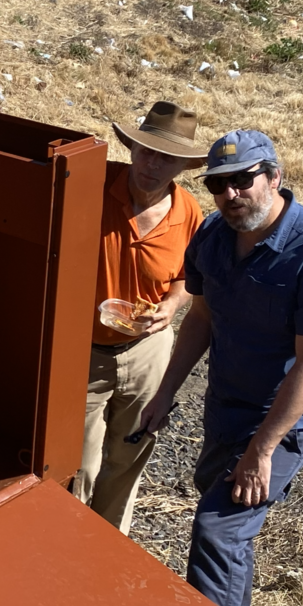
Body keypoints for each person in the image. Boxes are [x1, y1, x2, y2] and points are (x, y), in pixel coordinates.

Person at [138, 130, 303, 606]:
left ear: (274, 178)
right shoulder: (214, 237)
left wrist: (262, 451)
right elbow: (201, 318)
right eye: (219, 185)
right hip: (228, 401)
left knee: (219, 529)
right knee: (217, 507)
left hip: (287, 417)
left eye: (243, 180)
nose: (230, 195)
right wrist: (164, 393)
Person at [76, 101, 205, 534]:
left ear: (183, 166)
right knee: (79, 461)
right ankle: (64, 537)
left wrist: (170, 305)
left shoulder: (188, 212)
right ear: (131, 148)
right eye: (146, 151)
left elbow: (190, 275)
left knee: (130, 453)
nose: (152, 164)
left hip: (148, 349)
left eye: (166, 157)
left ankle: (107, 545)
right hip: (82, 348)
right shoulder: (93, 185)